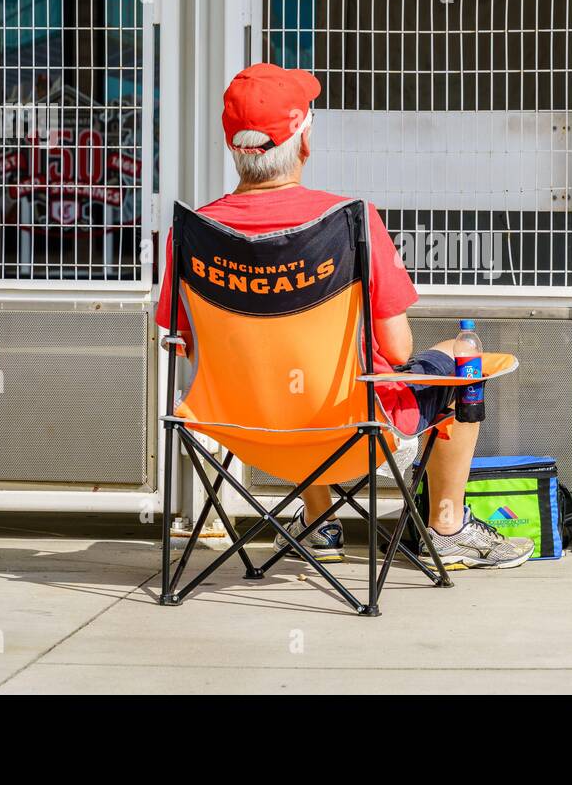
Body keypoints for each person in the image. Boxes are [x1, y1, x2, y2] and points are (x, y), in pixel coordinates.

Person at [157, 63, 532, 571]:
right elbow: (399, 352)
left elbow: (188, 343)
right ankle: (446, 528)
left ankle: (319, 522)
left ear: (233, 146)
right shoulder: (347, 221)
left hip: (241, 429)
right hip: (350, 430)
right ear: (304, 141)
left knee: (280, 372)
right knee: (462, 360)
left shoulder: (194, 230)